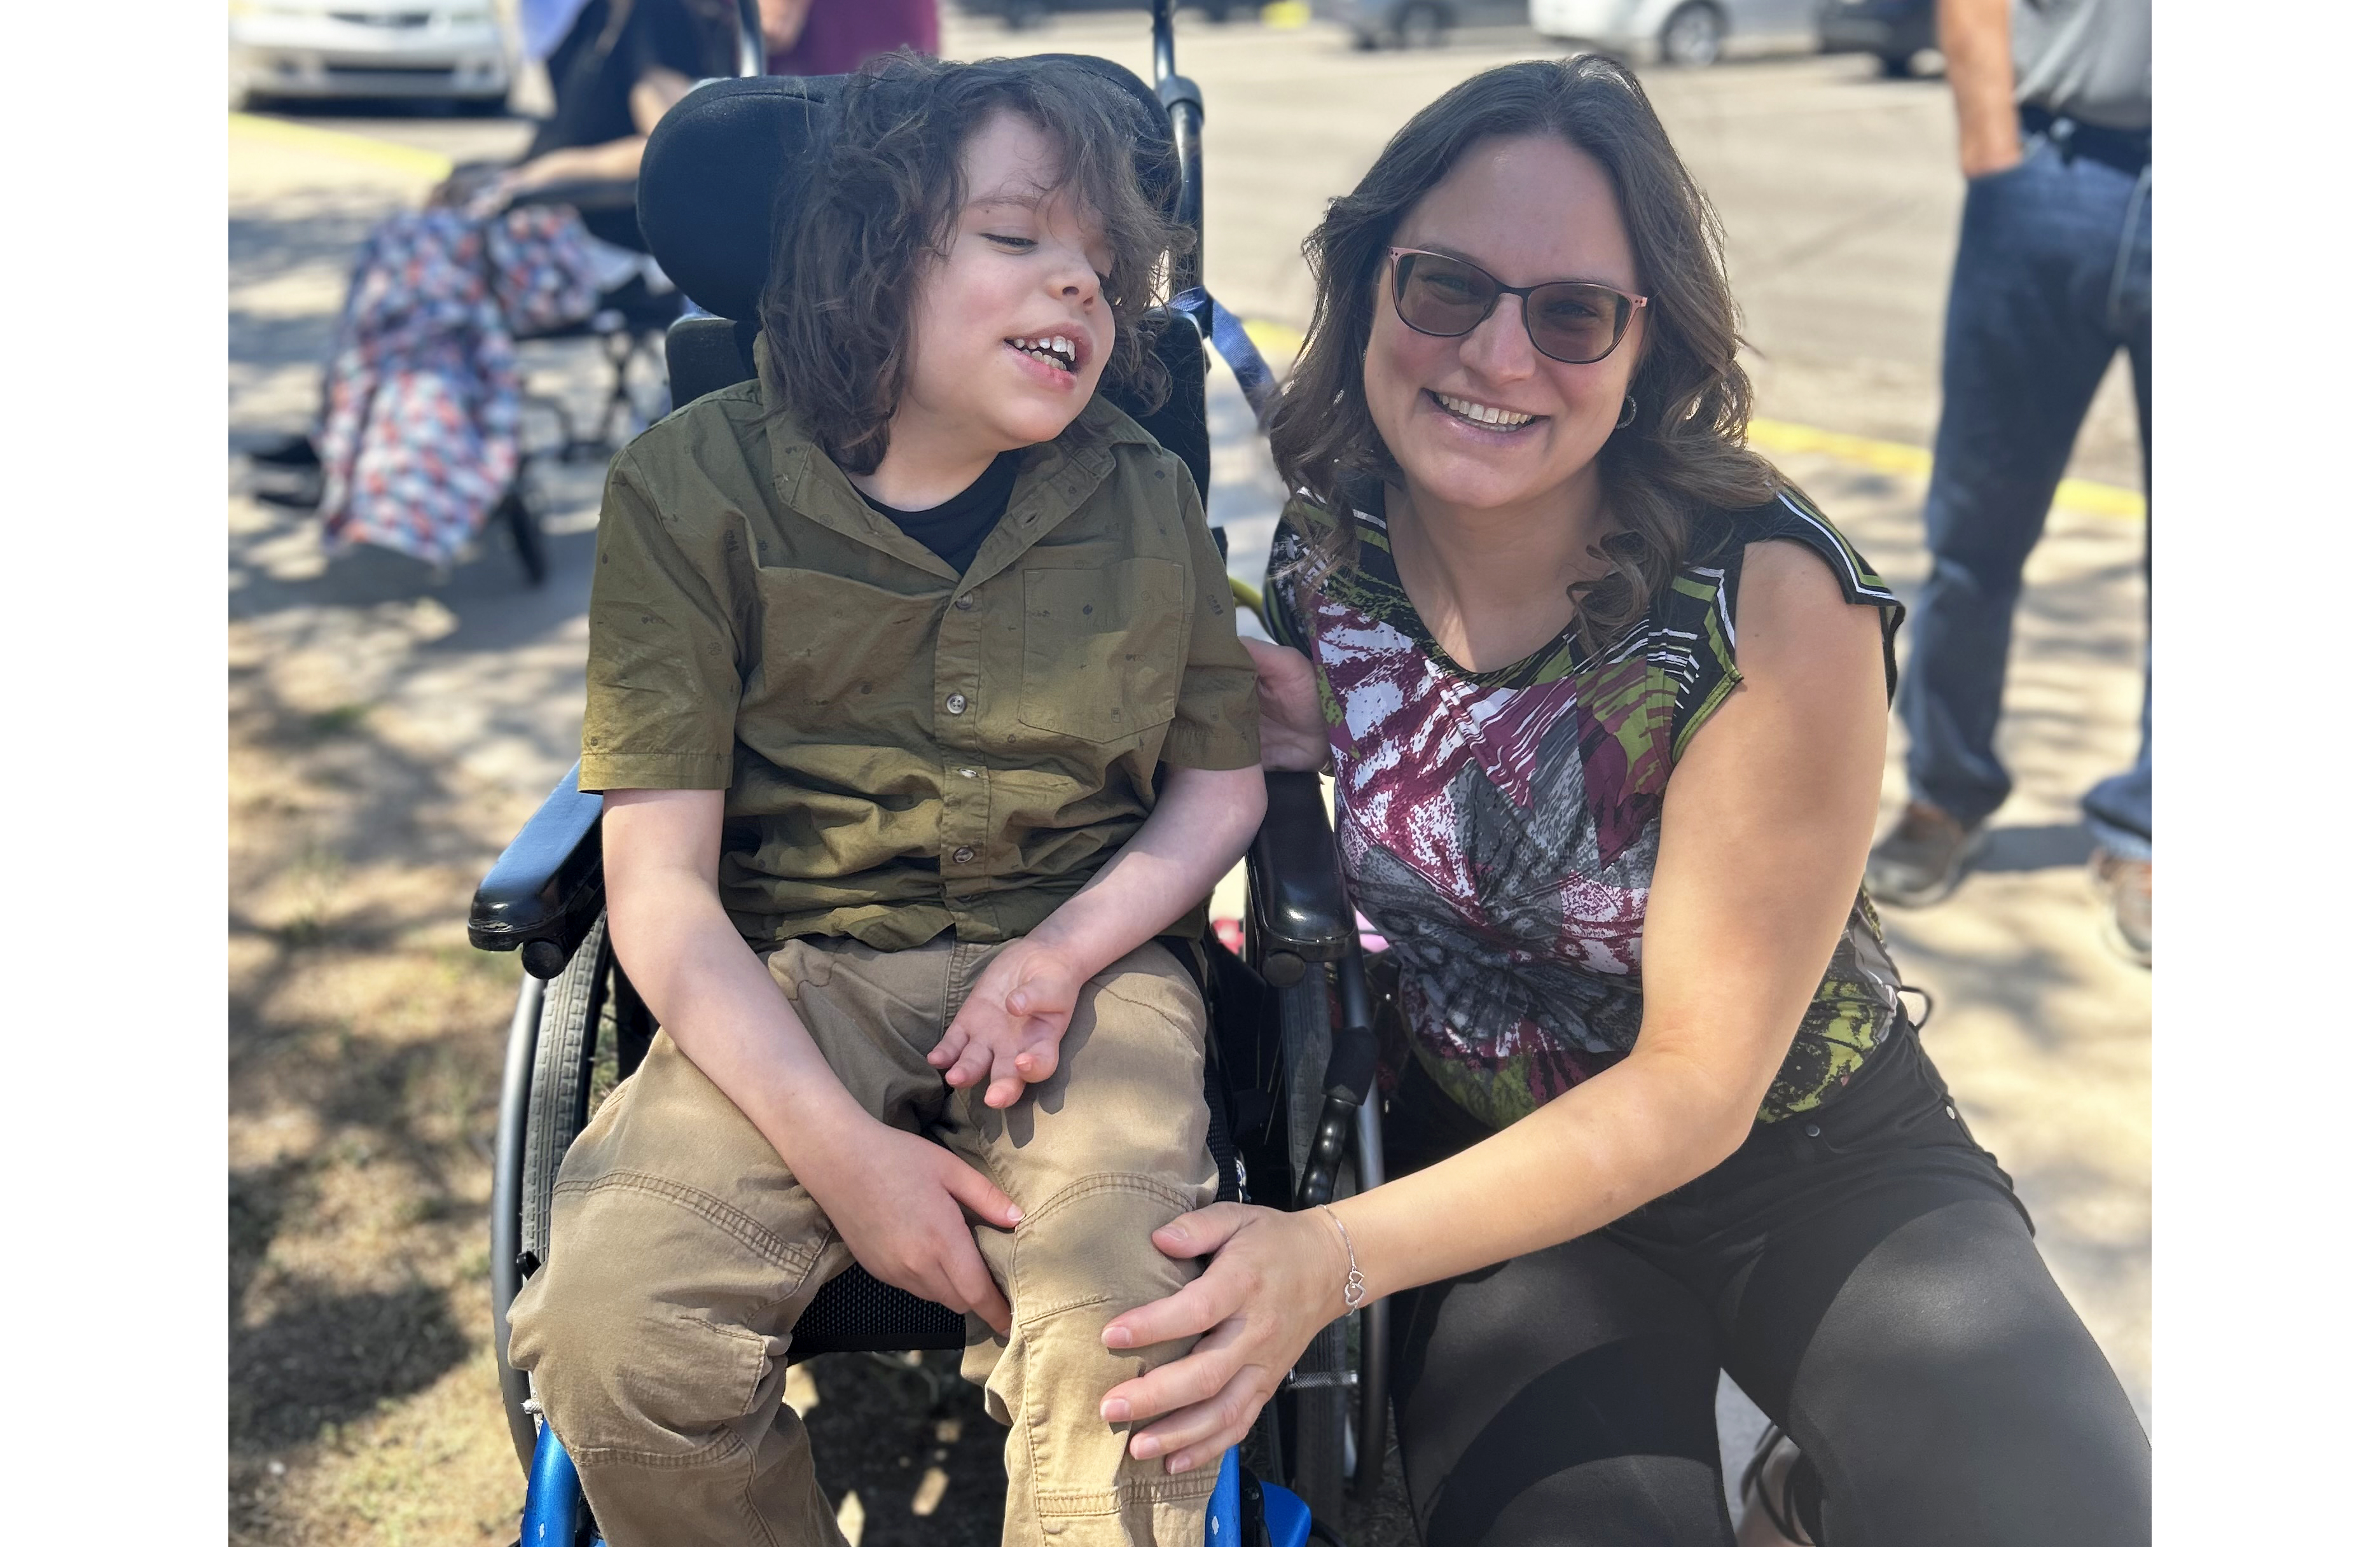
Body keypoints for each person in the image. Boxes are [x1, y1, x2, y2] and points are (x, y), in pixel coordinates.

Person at [1088, 56, 2150, 1547]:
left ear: (1645, 347)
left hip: (1813, 1157)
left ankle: (1822, 1479)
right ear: (1367, 283)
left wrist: (1317, 1254)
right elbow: (1459, 733)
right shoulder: (1333, 549)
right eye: (1444, 287)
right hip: (1495, 1177)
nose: (1497, 356)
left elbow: (1693, 1089)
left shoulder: (1766, 600)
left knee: (2058, 1518)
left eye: (1571, 311)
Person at [504, 53, 1265, 1547]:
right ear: (870, 248)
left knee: (1134, 1349)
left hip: (1088, 978)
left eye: (1104, 264)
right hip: (793, 979)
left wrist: (1058, 955)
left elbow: (1217, 789)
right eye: (1016, 237)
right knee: (606, 1332)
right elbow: (656, 892)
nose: (1080, 287)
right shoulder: (692, 485)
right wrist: (847, 1166)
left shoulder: (1141, 492)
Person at [247, 0, 803, 567]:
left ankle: (389, 469)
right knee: (401, 248)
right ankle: (346, 448)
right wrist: (488, 176)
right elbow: (565, 133)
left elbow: (667, 139)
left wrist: (540, 177)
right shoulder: (593, 21)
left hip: (603, 245)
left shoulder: (651, 18)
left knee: (418, 265)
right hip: (553, 226)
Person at [1862, 0, 2151, 962]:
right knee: (1976, 525)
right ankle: (1946, 790)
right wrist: (1992, 144)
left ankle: (2152, 831)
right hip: (2049, 170)